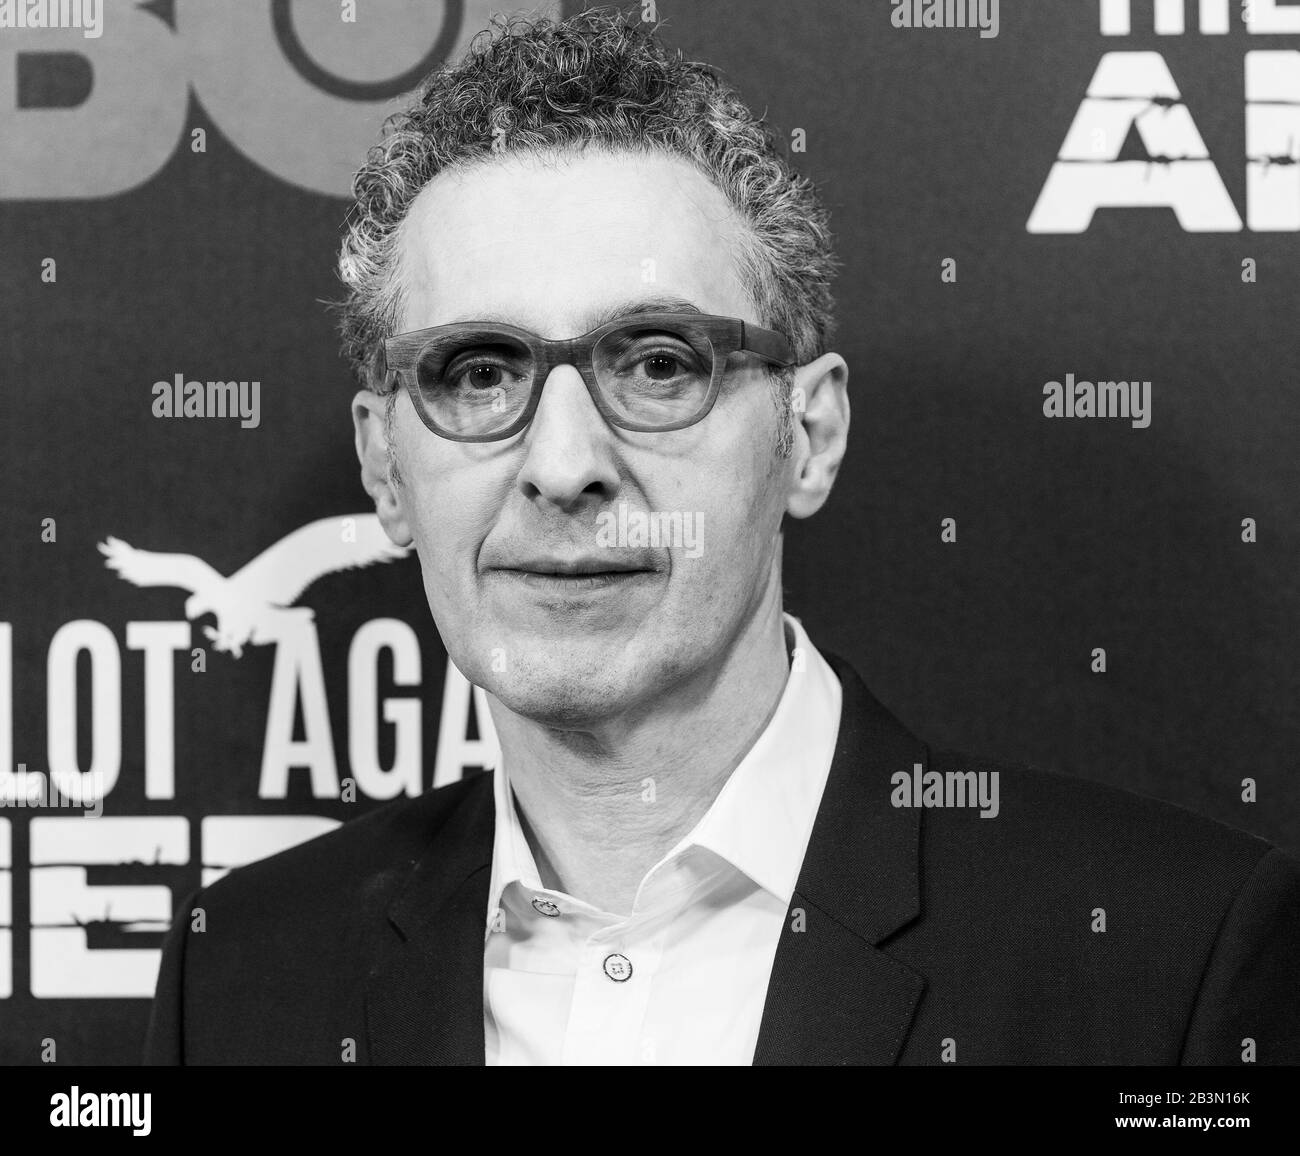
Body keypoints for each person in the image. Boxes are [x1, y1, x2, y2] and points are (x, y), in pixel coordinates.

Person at [144, 7, 1300, 1066]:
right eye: (478, 371)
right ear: (386, 466)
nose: (561, 465)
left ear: (808, 432)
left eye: (656, 364)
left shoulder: (1169, 960)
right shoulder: (242, 975)